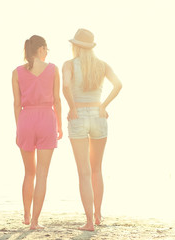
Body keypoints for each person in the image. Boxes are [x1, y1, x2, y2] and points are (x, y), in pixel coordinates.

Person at [62, 28, 122, 231]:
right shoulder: (102, 65)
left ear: (76, 46)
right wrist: (103, 106)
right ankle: (97, 215)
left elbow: (65, 86)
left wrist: (71, 107)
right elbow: (118, 85)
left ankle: (88, 222)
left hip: (78, 116)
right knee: (96, 169)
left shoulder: (69, 64)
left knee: (84, 173)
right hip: (98, 116)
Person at [12, 35, 62, 230]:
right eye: (46, 49)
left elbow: (16, 104)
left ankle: (26, 214)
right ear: (41, 49)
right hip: (46, 119)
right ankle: (34, 221)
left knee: (29, 173)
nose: (47, 53)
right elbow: (57, 100)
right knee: (42, 174)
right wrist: (58, 125)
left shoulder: (16, 72)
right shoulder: (53, 69)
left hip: (25, 119)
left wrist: (19, 127)